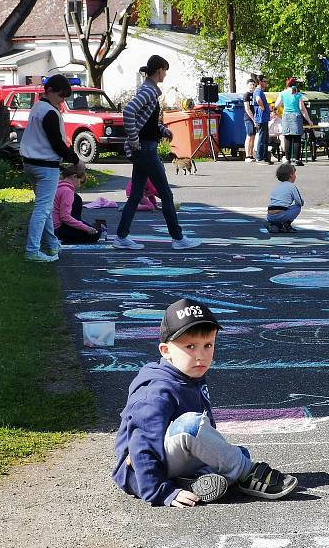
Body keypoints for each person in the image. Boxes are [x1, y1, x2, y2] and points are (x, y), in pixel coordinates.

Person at [112, 298, 298, 507]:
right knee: (193, 427)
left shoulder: (189, 375)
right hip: (140, 470)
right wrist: (160, 491)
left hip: (172, 458)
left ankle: (193, 483)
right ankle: (248, 473)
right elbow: (141, 445)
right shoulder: (155, 391)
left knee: (236, 453)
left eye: (208, 345)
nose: (200, 356)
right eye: (190, 346)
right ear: (165, 351)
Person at [115, 55, 200, 251]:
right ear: (159, 70)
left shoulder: (148, 90)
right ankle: (178, 238)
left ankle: (121, 236)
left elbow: (147, 120)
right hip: (145, 149)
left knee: (136, 194)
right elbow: (129, 112)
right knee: (166, 194)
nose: (165, 75)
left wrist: (162, 130)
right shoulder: (148, 91)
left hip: (144, 148)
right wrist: (134, 138)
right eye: (165, 71)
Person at [19, 74, 85, 262]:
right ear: (49, 91)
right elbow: (57, 144)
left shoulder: (37, 107)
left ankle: (52, 244)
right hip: (45, 166)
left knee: (45, 207)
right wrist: (76, 160)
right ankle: (32, 251)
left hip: (30, 163)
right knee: (42, 209)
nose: (62, 101)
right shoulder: (50, 112)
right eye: (61, 96)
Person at [53, 166, 100, 244]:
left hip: (52, 226)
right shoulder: (67, 191)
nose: (80, 186)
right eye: (80, 182)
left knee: (90, 228)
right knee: (96, 234)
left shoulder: (57, 187)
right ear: (74, 177)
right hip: (58, 229)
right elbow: (65, 217)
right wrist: (86, 228)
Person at [274, 77, 313, 166]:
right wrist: (308, 120)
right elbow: (302, 109)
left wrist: (281, 109)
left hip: (286, 116)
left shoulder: (282, 93)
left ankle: (287, 159)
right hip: (296, 116)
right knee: (297, 138)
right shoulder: (297, 94)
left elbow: (276, 105)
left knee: (287, 138)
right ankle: (297, 159)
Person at [266, 162, 304, 233]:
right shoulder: (292, 186)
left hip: (270, 215)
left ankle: (274, 224)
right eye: (294, 174)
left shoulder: (277, 186)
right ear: (291, 175)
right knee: (297, 207)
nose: (295, 176)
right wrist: (302, 202)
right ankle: (286, 224)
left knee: (282, 208)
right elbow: (299, 202)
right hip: (281, 215)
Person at [253, 75, 272, 165]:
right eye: (265, 81)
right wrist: (262, 107)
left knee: (265, 138)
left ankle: (265, 157)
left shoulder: (260, 91)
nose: (266, 83)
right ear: (260, 82)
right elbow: (258, 99)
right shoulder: (258, 91)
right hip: (261, 118)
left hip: (264, 118)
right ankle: (259, 158)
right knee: (262, 137)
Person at [242, 78, 257, 163]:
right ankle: (247, 155)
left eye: (254, 85)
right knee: (249, 136)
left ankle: (251, 155)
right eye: (251, 84)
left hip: (254, 118)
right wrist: (253, 119)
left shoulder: (255, 94)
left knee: (253, 137)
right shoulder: (246, 95)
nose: (253, 86)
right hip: (248, 118)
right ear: (248, 85)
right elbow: (247, 109)